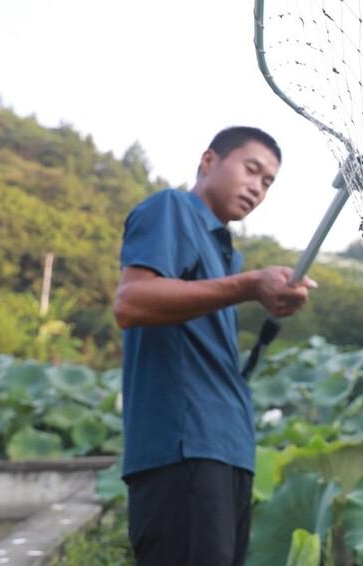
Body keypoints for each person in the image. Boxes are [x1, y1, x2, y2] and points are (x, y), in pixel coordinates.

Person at [113, 126, 315, 566]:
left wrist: (252, 286)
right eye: (251, 169)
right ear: (209, 162)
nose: (257, 187)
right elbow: (131, 302)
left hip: (229, 450)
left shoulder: (226, 254)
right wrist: (248, 286)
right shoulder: (173, 208)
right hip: (184, 447)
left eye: (268, 182)